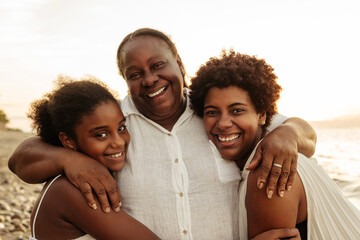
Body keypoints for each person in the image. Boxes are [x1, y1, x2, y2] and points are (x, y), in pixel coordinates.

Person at [9, 28, 317, 239]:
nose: (149, 79)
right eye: (135, 73)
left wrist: (287, 133)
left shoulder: (216, 111)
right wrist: (68, 160)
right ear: (125, 80)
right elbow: (21, 158)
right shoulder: (113, 124)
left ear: (179, 65)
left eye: (158, 65)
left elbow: (308, 137)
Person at [189, 49, 360, 239]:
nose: (222, 123)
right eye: (212, 112)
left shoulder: (270, 172)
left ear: (262, 114)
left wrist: (289, 132)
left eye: (237, 111)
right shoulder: (273, 144)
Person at [27, 76, 159, 239]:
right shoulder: (70, 190)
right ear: (68, 140)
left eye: (121, 127)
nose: (118, 142)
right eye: (101, 134)